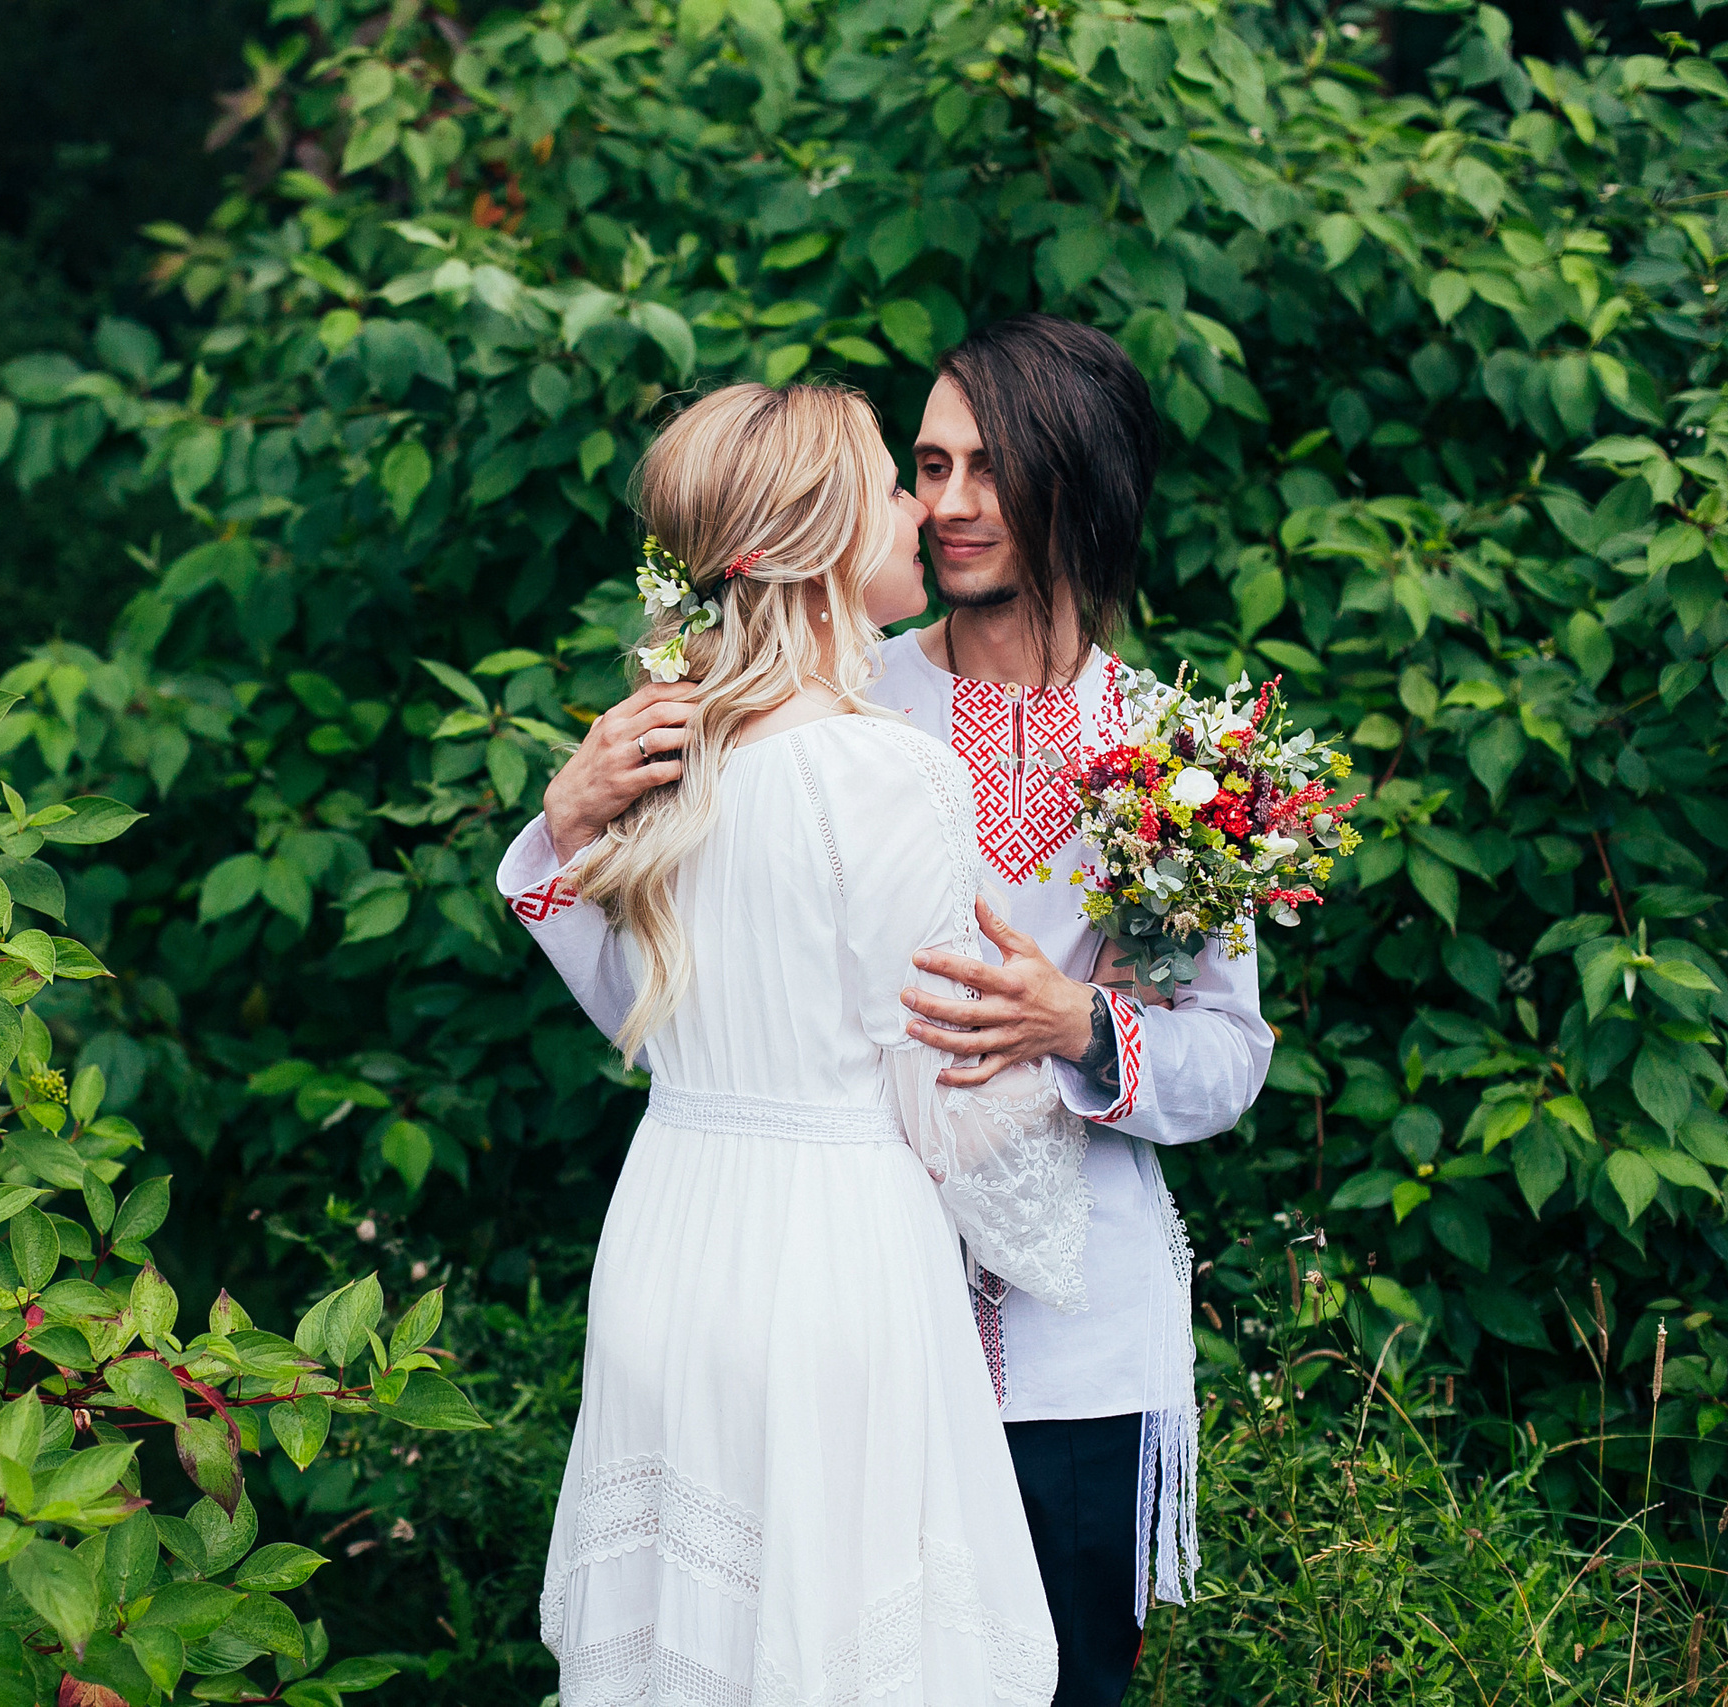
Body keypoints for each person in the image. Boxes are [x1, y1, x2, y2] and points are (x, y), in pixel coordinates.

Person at [506, 317, 1272, 1707]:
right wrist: (559, 841)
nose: (948, 503)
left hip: (1071, 1346)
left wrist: (1078, 1027)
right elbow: (668, 1015)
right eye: (926, 465)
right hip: (827, 1319)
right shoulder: (821, 701)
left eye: (993, 467)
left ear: (1081, 486)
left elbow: (1229, 1054)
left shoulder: (1179, 755)